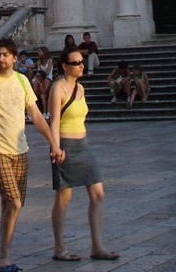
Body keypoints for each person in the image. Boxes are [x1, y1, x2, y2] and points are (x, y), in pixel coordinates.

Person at [0, 37, 64, 272]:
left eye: (5, 54)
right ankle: (4, 259)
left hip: (21, 150)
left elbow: (37, 116)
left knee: (10, 204)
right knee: (14, 201)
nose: (1, 58)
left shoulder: (23, 82)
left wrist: (53, 143)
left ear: (14, 57)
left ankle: (4, 256)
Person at [48, 48, 119, 262]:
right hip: (65, 145)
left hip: (83, 144)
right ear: (65, 66)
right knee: (64, 197)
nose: (81, 65)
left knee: (98, 194)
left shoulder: (81, 88)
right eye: (76, 62)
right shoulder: (57, 89)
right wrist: (55, 147)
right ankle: (59, 248)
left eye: (82, 61)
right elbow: (54, 121)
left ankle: (97, 246)